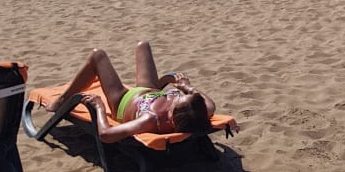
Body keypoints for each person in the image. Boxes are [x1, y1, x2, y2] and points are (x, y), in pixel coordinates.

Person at [43, 41, 216, 143]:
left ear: (171, 116)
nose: (174, 96)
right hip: (150, 90)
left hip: (122, 100)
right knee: (143, 45)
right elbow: (210, 104)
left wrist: (99, 107)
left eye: (176, 100)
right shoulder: (199, 111)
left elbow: (106, 135)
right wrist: (188, 88)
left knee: (98, 55)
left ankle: (61, 101)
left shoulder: (149, 120)